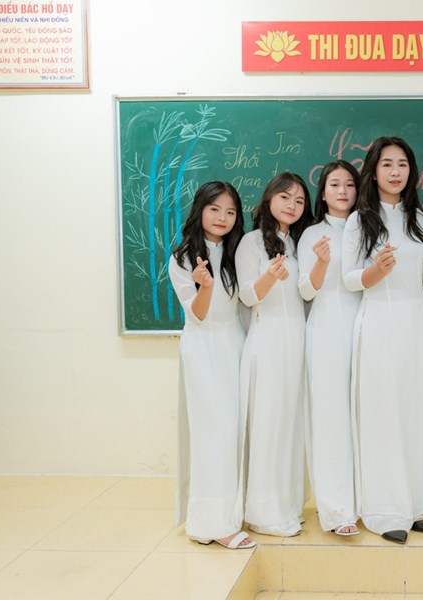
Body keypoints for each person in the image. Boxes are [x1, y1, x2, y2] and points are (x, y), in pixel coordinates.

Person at [341, 136, 423, 544]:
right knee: (381, 413)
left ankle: (413, 504)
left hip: (416, 321)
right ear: (374, 171)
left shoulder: (420, 217)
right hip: (379, 320)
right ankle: (384, 509)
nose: (395, 172)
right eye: (387, 164)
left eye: (402, 164)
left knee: (415, 409)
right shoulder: (359, 220)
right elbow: (349, 278)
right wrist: (375, 272)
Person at [169, 181, 255, 549]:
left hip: (234, 344)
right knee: (212, 433)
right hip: (203, 349)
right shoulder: (183, 257)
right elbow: (199, 315)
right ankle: (209, 524)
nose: (222, 217)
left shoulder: (237, 252)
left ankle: (229, 514)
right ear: (200, 209)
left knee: (233, 431)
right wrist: (204, 286)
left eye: (230, 211)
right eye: (215, 209)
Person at [236, 172, 313, 537]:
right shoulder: (251, 242)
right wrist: (270, 276)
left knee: (291, 424)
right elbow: (248, 296)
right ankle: (264, 513)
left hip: (296, 338)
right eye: (285, 197)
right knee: (268, 424)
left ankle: (287, 505)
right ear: (269, 199)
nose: (292, 206)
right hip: (267, 339)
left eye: (299, 201)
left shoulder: (298, 242)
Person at [297, 161, 362, 537]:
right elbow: (306, 290)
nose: (343, 191)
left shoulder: (368, 226)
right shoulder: (313, 234)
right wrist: (321, 263)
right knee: (331, 419)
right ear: (322, 193)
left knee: (364, 418)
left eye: (350, 184)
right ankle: (337, 510)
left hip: (365, 327)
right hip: (326, 330)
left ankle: (368, 501)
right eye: (335, 184)